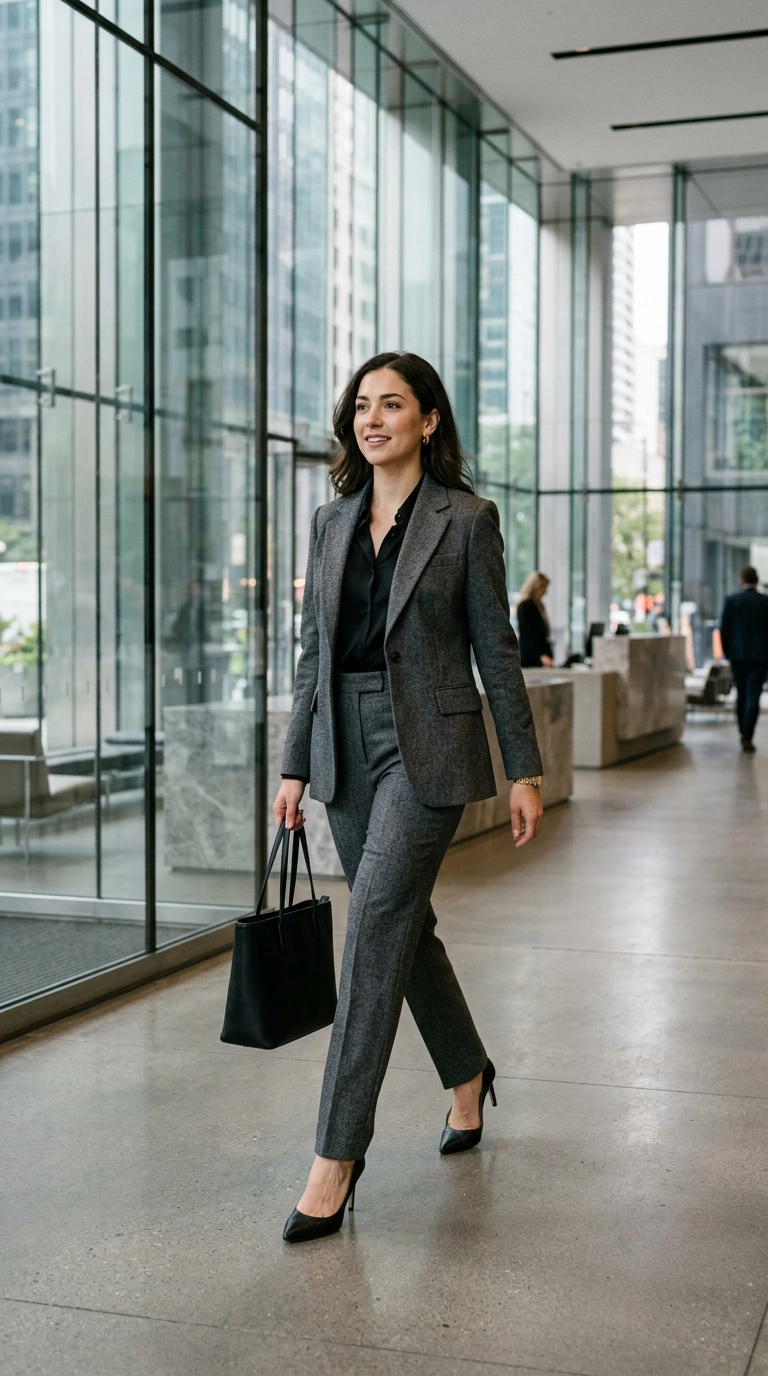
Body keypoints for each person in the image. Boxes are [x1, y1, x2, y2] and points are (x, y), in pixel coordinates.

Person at [273, 351, 544, 1244]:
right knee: (406, 931)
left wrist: (524, 768)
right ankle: (468, 1075)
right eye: (361, 404)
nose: (372, 417)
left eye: (392, 403)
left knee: (376, 929)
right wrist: (293, 766)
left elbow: (494, 649)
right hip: (342, 749)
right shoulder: (329, 521)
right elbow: (313, 652)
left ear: (430, 419)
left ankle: (336, 1156)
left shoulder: (466, 520)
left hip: (427, 747)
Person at [720, 565, 768, 753]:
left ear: (742, 580)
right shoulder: (765, 602)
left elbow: (724, 629)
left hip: (738, 656)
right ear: (756, 581)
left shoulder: (732, 600)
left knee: (741, 694)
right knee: (753, 695)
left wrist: (727, 652)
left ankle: (743, 732)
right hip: (760, 656)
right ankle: (748, 735)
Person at [516, 571, 554, 667]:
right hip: (531, 657)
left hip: (541, 654)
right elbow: (527, 635)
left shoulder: (539, 606)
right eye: (543, 588)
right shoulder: (525, 606)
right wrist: (540, 655)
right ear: (536, 587)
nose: (545, 592)